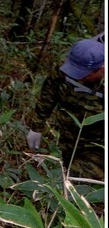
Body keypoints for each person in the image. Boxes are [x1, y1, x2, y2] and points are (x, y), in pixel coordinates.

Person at [27, 37, 105, 179]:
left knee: (75, 183)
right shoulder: (70, 65)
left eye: (84, 74)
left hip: (98, 147)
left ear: (101, 69)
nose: (77, 77)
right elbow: (50, 91)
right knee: (66, 172)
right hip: (69, 138)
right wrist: (36, 126)